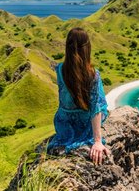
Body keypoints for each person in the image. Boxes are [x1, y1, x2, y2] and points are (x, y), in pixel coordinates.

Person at [47, 27, 110, 165]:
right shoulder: (93, 75)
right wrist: (97, 141)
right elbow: (96, 108)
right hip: (83, 124)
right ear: (87, 48)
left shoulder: (59, 70)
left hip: (63, 123)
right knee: (102, 104)